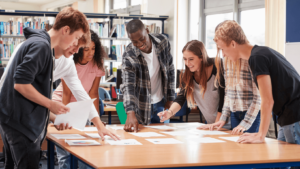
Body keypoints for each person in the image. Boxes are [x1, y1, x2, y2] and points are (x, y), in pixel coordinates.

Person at [0, 7, 88, 169]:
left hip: (18, 121)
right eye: (76, 38)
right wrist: (51, 104)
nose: (76, 44)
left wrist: (53, 117)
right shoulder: (41, 46)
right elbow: (21, 84)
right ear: (66, 30)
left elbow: (31, 89)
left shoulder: (42, 45)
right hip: (22, 125)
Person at [213, 20, 300, 146]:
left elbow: (267, 100)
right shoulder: (262, 52)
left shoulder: (256, 58)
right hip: (286, 116)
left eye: (223, 49)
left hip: (293, 114)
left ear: (233, 44)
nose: (223, 54)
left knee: (294, 160)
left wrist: (261, 135)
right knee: (281, 161)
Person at [51, 30, 111, 169]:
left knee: (86, 153)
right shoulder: (69, 61)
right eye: (86, 49)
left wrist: (95, 120)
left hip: (82, 106)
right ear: (79, 49)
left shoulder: (97, 62)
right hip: (62, 102)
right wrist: (65, 118)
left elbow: (93, 93)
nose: (90, 53)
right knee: (65, 152)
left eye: (93, 49)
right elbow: (66, 93)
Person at [120, 19, 175, 132]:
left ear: (147, 31)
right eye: (134, 42)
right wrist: (130, 113)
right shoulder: (129, 54)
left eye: (142, 39)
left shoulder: (162, 41)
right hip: (141, 105)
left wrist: (171, 98)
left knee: (162, 139)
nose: (140, 44)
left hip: (161, 102)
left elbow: (170, 70)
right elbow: (128, 85)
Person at [158, 40, 225, 125]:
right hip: (212, 124)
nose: (187, 63)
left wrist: (216, 125)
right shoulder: (188, 75)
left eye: (191, 59)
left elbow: (224, 99)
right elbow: (181, 98)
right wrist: (169, 113)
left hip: (227, 123)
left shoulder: (217, 66)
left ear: (201, 57)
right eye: (185, 59)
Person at [199, 56, 261, 135]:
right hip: (234, 113)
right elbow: (228, 93)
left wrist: (245, 123)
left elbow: (258, 97)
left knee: (249, 146)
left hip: (251, 113)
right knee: (236, 144)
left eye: (223, 48)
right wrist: (223, 118)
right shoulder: (226, 61)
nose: (223, 53)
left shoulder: (251, 60)